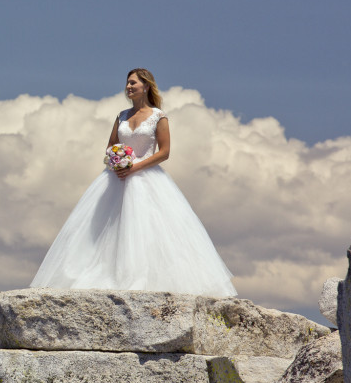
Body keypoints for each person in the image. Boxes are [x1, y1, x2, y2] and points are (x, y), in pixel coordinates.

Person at [30, 68, 236, 297]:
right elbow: (110, 146)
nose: (128, 87)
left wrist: (134, 167)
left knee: (145, 228)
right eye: (127, 84)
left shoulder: (159, 116)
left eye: (133, 83)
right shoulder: (122, 116)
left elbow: (165, 152)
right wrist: (116, 162)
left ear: (146, 86)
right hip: (116, 177)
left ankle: (142, 278)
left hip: (146, 177)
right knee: (104, 227)